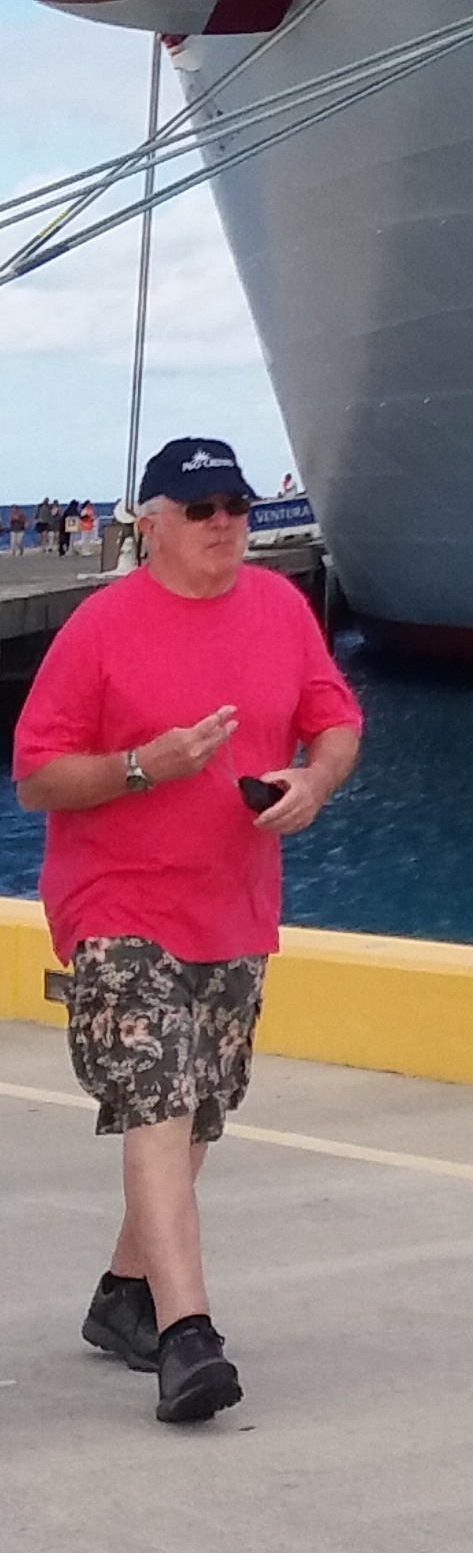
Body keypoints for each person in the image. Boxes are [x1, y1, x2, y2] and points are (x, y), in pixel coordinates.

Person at [11, 434, 362, 1425]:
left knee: (196, 1110)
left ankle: (126, 1296)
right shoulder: (101, 627)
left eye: (237, 508)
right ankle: (187, 1336)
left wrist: (314, 781)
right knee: (158, 1099)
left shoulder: (281, 609)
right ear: (154, 522)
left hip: (234, 906)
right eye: (202, 510)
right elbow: (36, 776)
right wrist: (141, 767)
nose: (225, 525)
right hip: (116, 906)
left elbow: (334, 718)